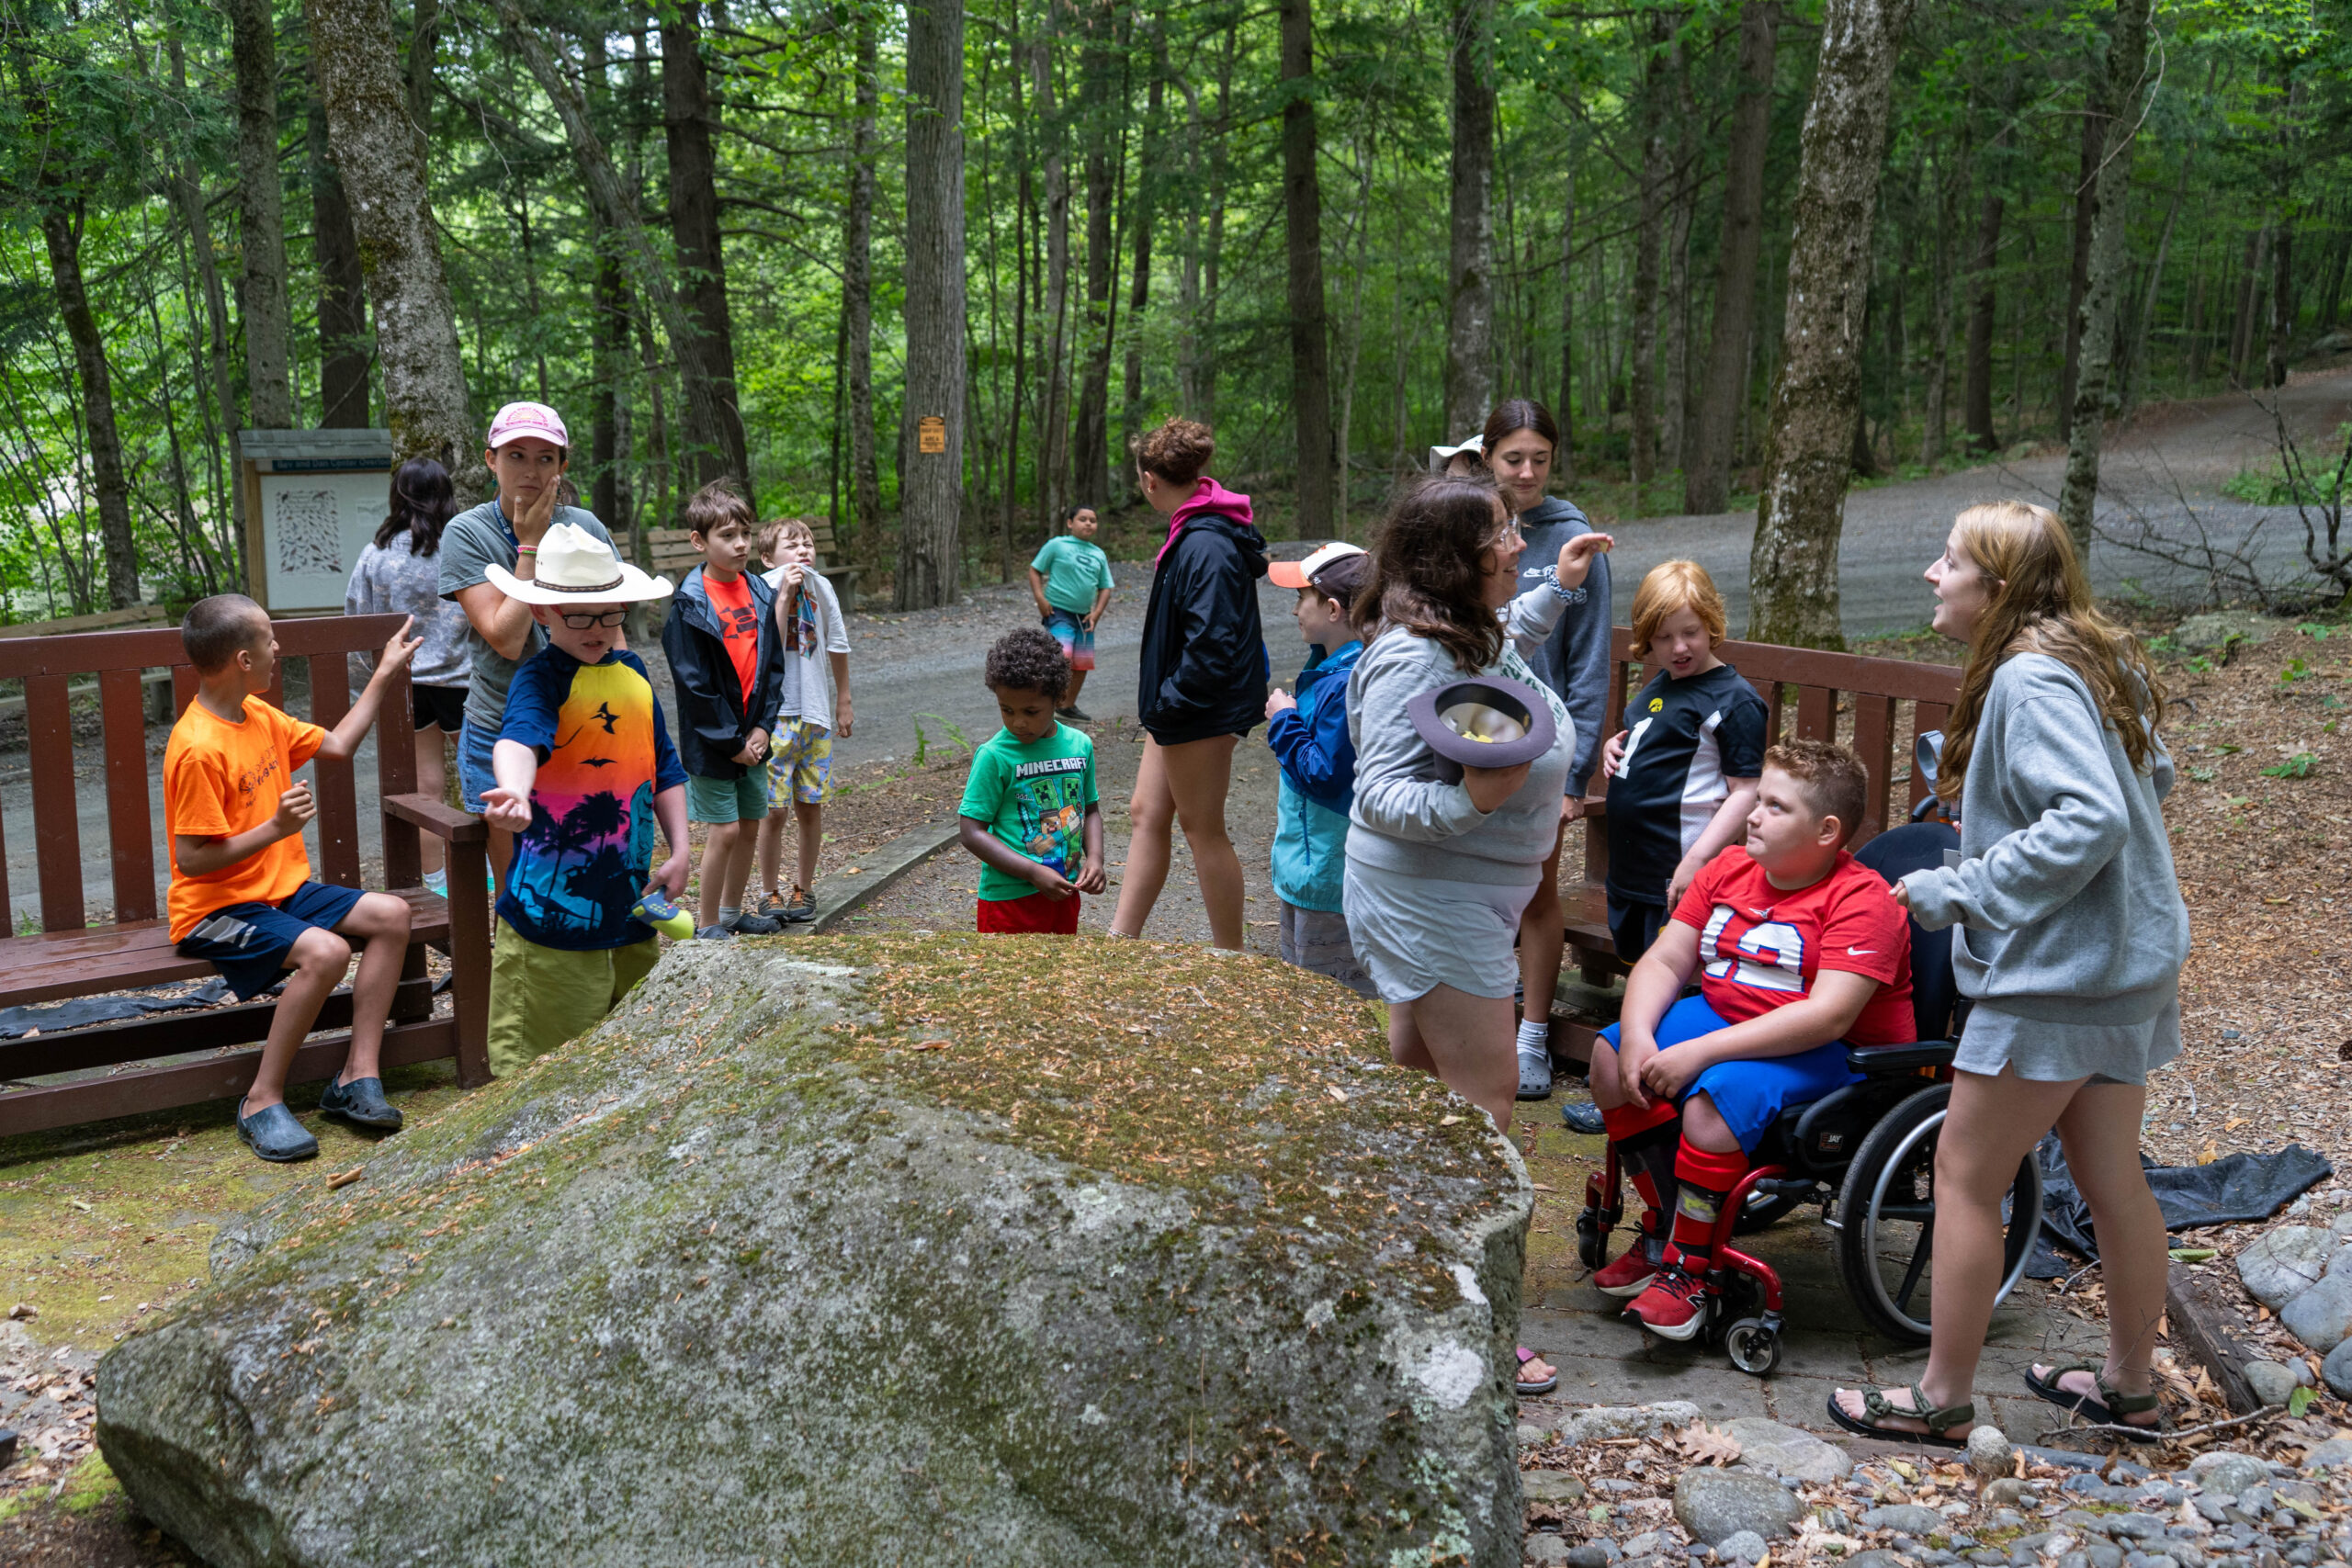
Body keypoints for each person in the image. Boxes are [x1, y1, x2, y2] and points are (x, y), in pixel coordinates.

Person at [1832, 502, 2186, 1447]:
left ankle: (1940, 1396)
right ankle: (2127, 1385)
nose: (1929, 577)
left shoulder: (2030, 677)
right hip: (2122, 966)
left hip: (2057, 978)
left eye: (1945, 562)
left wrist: (1966, 888)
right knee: (2112, 1178)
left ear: (1992, 587)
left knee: (1963, 1172)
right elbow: (2151, 784)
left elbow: (2092, 819)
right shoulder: (2093, 658)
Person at [1343, 475, 1575, 1397]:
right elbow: (1376, 793)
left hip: (1473, 894)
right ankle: (1472, 1315)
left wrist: (1557, 588)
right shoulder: (1411, 655)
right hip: (1428, 896)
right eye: (1503, 534)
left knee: (1413, 1085)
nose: (1517, 543)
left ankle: (1381, 1264)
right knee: (1484, 1103)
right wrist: (1468, 801)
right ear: (1453, 558)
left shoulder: (1468, 629)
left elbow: (1511, 649)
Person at [1589, 740, 1916, 1339]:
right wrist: (1637, 1033)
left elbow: (1829, 1017)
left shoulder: (1863, 900)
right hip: (1727, 1012)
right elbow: (1665, 960)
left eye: (1774, 805)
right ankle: (1666, 1227)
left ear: (1826, 830)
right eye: (1757, 798)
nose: (1753, 814)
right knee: (1609, 1060)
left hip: (1835, 1053)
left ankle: (1693, 1274)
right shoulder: (1729, 868)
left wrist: (1704, 1051)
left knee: (1714, 1106)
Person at [165, 596, 422, 1163]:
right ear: (242, 659)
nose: (277, 647)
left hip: (278, 892)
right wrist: (275, 828)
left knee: (392, 916)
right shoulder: (198, 748)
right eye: (268, 639)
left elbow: (337, 745)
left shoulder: (258, 715)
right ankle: (261, 1100)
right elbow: (192, 861)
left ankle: (356, 1076)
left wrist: (382, 672)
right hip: (215, 909)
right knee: (327, 953)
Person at [478, 525, 690, 1076]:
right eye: (578, 615)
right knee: (541, 1068)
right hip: (552, 924)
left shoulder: (636, 675)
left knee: (627, 1056)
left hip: (631, 904)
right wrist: (515, 791)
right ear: (544, 612)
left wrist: (683, 849)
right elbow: (519, 737)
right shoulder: (540, 678)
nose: (596, 628)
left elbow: (662, 767)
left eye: (608, 612)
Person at [439, 401, 621, 891]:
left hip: (583, 725)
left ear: (563, 466)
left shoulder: (587, 528)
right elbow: (505, 637)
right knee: (518, 885)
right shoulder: (467, 533)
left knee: (581, 872)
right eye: (516, 455)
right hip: (500, 731)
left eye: (546, 458)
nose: (531, 470)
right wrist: (530, 547)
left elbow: (614, 632)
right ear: (490, 460)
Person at [1110, 417, 1268, 949]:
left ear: (1151, 481)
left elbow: (1213, 646)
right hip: (1175, 706)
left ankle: (1230, 956)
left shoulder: (1207, 545)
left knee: (1203, 829)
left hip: (1196, 708)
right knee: (1146, 811)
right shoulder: (1195, 529)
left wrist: (1171, 702)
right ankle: (1119, 942)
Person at [1595, 560, 1768, 965]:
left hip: (1676, 873)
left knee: (1671, 975)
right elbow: (1650, 737)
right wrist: (1614, 749)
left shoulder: (1733, 700)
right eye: (1663, 637)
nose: (1679, 648)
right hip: (1630, 871)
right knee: (1638, 969)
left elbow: (1745, 791)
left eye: (1690, 632)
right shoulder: (1663, 683)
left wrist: (1696, 863)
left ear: (1711, 623)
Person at [661, 479, 785, 940]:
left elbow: (772, 667)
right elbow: (694, 686)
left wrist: (764, 730)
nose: (740, 544)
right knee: (726, 830)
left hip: (753, 738)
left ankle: (733, 913)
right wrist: (732, 742)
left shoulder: (759, 591)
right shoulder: (690, 603)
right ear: (700, 541)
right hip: (715, 743)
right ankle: (708, 921)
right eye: (727, 536)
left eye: (745, 534)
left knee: (752, 823)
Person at [345, 457, 469, 897]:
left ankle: (435, 882)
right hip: (464, 682)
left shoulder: (375, 554)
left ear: (398, 495)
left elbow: (357, 619)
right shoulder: (463, 546)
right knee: (485, 779)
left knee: (426, 786)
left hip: (405, 682)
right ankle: (501, 866)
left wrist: (369, 682)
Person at [1263, 542, 1373, 996]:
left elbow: (1326, 776)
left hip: (1329, 879)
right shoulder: (1328, 668)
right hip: (1308, 871)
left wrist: (1284, 720)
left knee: (1331, 1001)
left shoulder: (1348, 681)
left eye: (1300, 599)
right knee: (1305, 988)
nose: (1293, 611)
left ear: (1332, 609)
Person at [956, 627, 1106, 934]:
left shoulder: (1080, 746)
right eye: (1006, 710)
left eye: (1031, 711)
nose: (1018, 722)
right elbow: (971, 832)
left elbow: (1090, 810)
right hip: (1009, 901)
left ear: (1059, 698)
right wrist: (1032, 871)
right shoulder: (994, 756)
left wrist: (1095, 858)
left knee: (1059, 976)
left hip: (1063, 893)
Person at [753, 517, 853, 924]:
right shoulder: (760, 587)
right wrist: (783, 594)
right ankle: (768, 890)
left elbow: (837, 643)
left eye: (808, 543)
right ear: (767, 557)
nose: (804, 551)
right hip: (775, 717)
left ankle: (805, 888)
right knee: (773, 811)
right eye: (792, 545)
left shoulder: (822, 586)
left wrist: (843, 699)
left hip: (814, 716)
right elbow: (765, 646)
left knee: (810, 807)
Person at [1029, 505, 1115, 722]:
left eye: (1092, 520)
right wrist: (1040, 598)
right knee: (1061, 655)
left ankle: (1067, 705)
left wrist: (1096, 613)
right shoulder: (1057, 545)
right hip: (1058, 611)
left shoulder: (1098, 554)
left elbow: (1106, 586)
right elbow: (1035, 569)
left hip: (1085, 617)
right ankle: (1044, 704)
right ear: (1070, 523)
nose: (1088, 523)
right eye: (1082, 519)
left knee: (1082, 662)